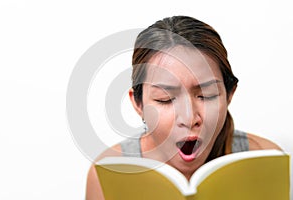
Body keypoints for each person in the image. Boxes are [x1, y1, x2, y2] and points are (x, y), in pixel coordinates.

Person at [86, 15, 282, 200]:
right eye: (165, 99)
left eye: (206, 95)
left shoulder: (267, 158)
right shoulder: (107, 172)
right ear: (138, 104)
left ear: (229, 94)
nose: (189, 118)